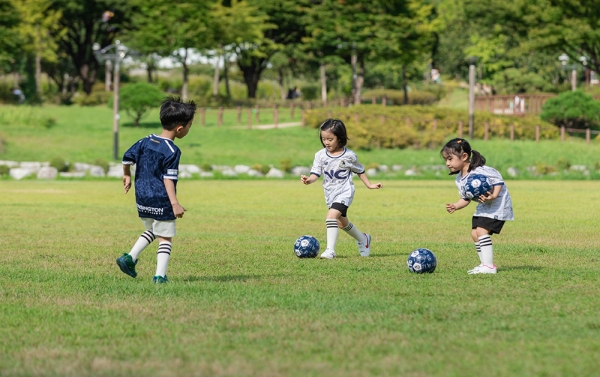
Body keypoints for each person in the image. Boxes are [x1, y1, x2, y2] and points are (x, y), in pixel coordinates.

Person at [116, 96, 196, 283]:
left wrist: (126, 175)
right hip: (161, 198)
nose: (189, 129)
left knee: (154, 228)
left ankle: (129, 258)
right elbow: (168, 178)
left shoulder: (145, 141)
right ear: (179, 128)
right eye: (190, 125)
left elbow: (127, 158)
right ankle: (160, 276)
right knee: (165, 238)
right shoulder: (172, 151)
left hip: (142, 196)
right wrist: (174, 203)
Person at [301, 118, 382, 259]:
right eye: (323, 139)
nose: (326, 142)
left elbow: (360, 170)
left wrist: (369, 185)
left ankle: (330, 251)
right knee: (340, 223)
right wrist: (309, 180)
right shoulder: (320, 155)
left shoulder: (349, 156)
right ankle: (363, 239)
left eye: (330, 139)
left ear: (340, 138)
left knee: (331, 216)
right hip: (330, 194)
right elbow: (316, 173)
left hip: (345, 192)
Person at [441, 138, 514, 274]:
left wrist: (493, 195)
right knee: (475, 234)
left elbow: (498, 181)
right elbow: (466, 198)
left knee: (481, 231)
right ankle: (484, 264)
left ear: (464, 156)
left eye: (450, 159)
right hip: (484, 206)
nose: (447, 163)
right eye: (446, 160)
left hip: (497, 204)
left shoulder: (480, 170)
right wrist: (456, 206)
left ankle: (489, 267)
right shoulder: (459, 179)